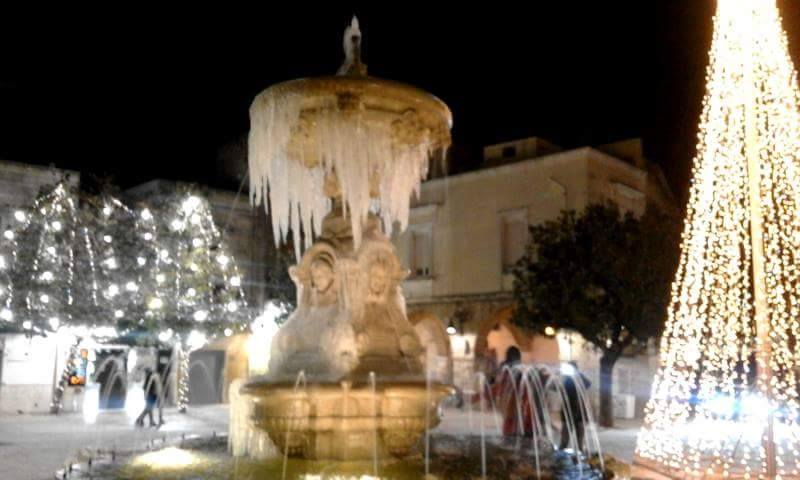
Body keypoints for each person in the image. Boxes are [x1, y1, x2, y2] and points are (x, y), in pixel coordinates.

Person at [559, 362, 591, 451]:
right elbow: (560, 389)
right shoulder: (567, 381)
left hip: (580, 415)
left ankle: (579, 459)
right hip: (568, 415)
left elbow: (588, 383)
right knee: (564, 441)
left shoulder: (580, 380)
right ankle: (560, 458)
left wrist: (577, 374)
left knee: (579, 442)